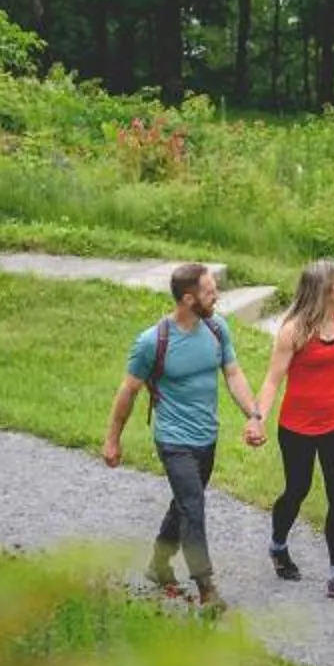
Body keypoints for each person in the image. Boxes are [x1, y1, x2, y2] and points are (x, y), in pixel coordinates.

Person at [101, 260, 266, 611]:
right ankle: (206, 589)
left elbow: (233, 374)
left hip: (207, 437)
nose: (216, 295)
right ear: (189, 300)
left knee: (183, 503)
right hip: (173, 440)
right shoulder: (152, 341)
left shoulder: (217, 329)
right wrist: (112, 439)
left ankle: (158, 565)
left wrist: (253, 415)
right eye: (209, 291)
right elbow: (128, 391)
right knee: (193, 506)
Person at [254, 257, 334, 603]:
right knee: (296, 490)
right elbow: (273, 380)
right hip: (298, 427)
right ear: (325, 290)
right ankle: (278, 544)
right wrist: (257, 418)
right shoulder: (294, 331)